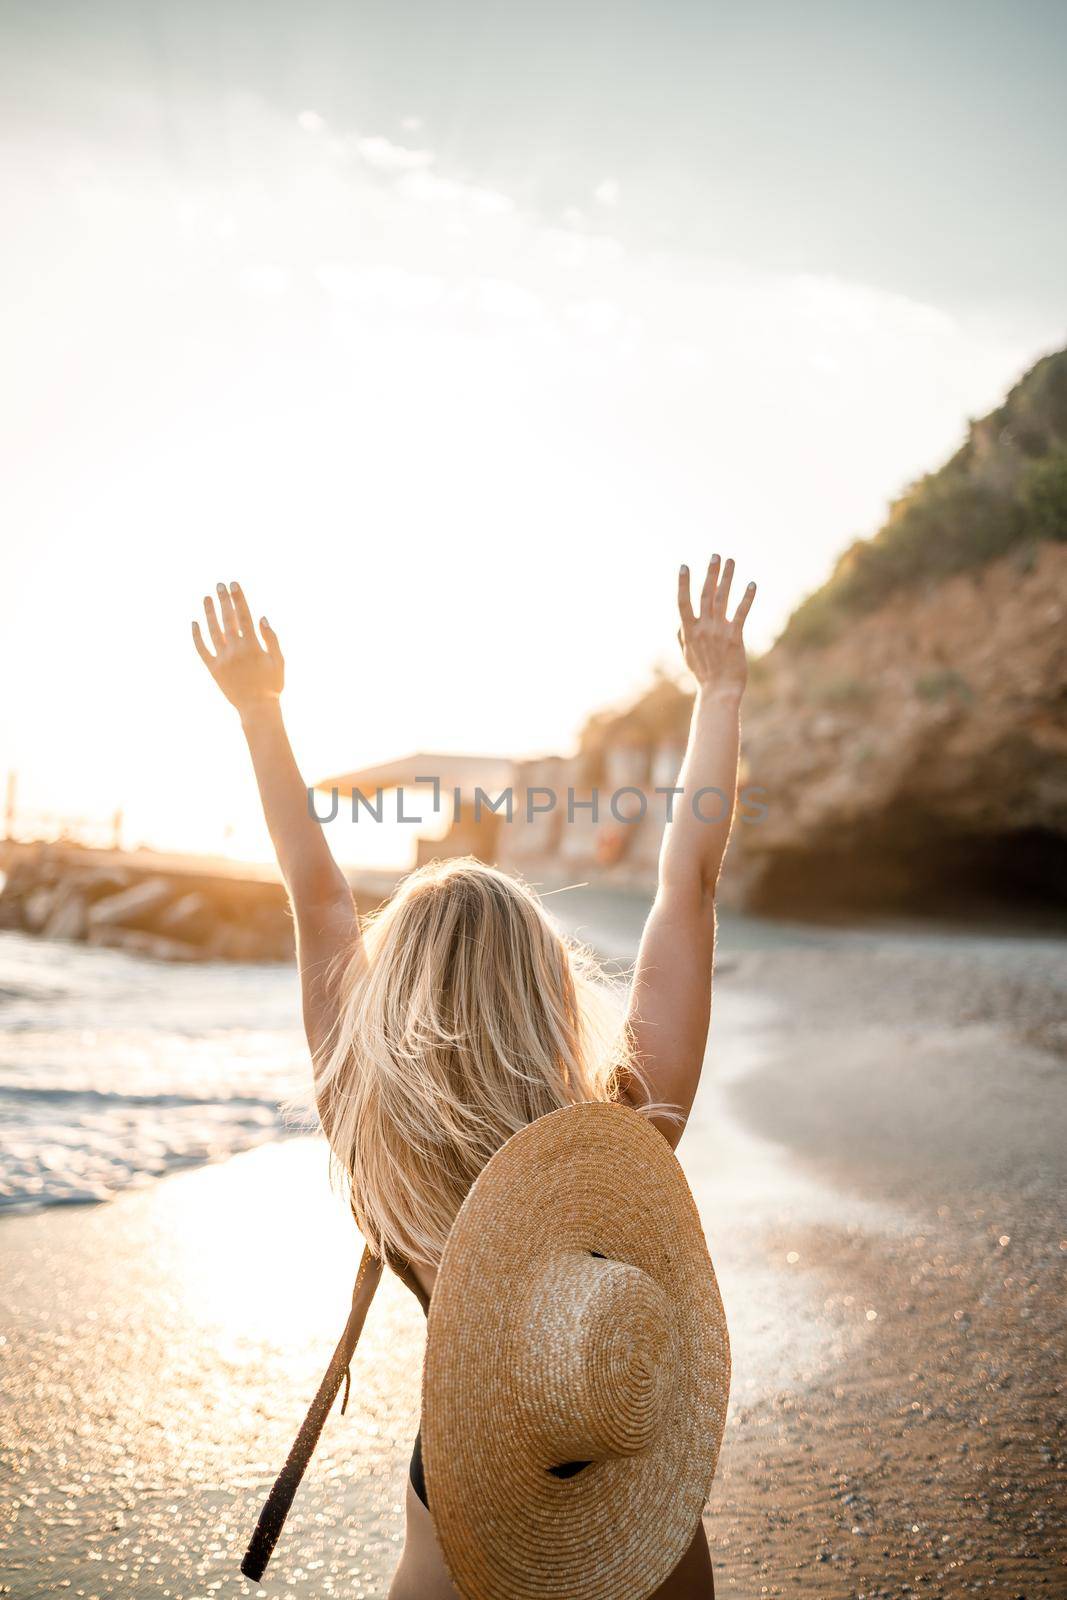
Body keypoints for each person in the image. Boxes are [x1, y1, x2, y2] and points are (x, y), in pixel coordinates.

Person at [192, 557, 756, 1599]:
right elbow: (688, 887)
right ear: (545, 985)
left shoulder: (373, 1132)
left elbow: (320, 905)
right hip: (631, 1479)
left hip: (464, 1492)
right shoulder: (617, 1136)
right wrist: (717, 693)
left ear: (392, 998)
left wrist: (259, 711)